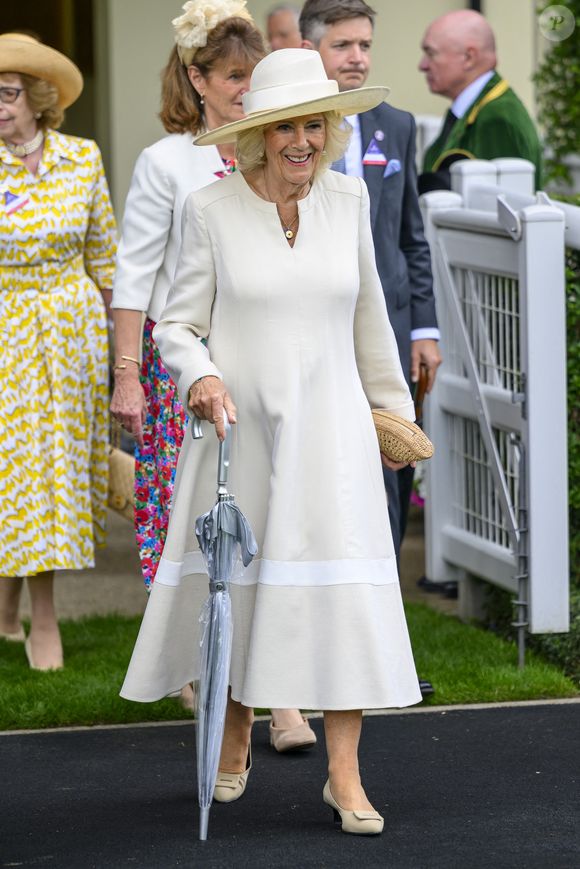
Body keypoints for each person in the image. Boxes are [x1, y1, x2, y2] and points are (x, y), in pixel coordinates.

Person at [121, 47, 422, 836]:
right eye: (287, 125)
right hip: (240, 434)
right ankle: (233, 731)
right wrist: (199, 376)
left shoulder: (351, 202)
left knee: (342, 602)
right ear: (258, 135)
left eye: (315, 124)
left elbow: (370, 325)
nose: (304, 140)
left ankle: (346, 775)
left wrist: (392, 416)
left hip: (332, 437)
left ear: (330, 128)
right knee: (241, 592)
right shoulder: (211, 211)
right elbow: (177, 324)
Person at [110, 1, 313, 749]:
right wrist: (128, 377)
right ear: (198, 79)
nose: (243, 91)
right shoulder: (169, 161)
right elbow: (135, 279)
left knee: (276, 527)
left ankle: (282, 692)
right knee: (203, 533)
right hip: (186, 378)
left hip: (266, 370)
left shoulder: (274, 152)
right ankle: (219, 678)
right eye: (232, 78)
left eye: (252, 77)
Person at [300, 0, 440, 696]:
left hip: (386, 333)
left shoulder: (396, 127)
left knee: (390, 475)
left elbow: (411, 234)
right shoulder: (292, 128)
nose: (357, 57)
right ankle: (320, 638)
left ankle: (383, 649)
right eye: (344, 44)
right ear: (311, 48)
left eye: (365, 45)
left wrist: (425, 328)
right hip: (317, 334)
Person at [0, 34, 116, 670]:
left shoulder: (81, 157)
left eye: (8, 93)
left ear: (39, 99)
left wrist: (119, 358)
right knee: (20, 475)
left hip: (73, 335)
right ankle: (42, 618)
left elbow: (104, 258)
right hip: (7, 333)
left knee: (59, 474)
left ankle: (7, 610)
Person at [418, 8, 543, 192]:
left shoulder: (498, 118)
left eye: (431, 53)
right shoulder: (476, 109)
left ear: (469, 57)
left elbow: (501, 208)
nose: (422, 65)